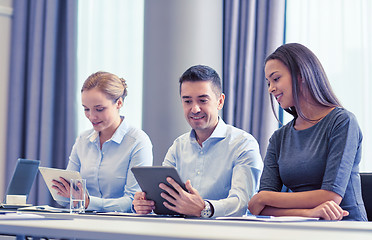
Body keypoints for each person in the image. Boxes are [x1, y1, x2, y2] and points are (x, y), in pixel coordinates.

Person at [248, 43, 367, 221]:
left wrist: (265, 197)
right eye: (268, 82)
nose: (270, 88)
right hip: (301, 227)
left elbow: (331, 197)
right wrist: (309, 213)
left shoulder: (342, 122)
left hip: (344, 227)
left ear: (301, 75)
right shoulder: (279, 138)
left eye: (276, 79)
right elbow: (259, 208)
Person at [133, 65, 263, 218]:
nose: (194, 109)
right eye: (187, 101)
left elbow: (242, 203)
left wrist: (204, 208)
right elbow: (165, 197)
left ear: (220, 101)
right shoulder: (178, 146)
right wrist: (146, 203)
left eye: (202, 100)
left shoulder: (243, 144)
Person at [52, 71, 153, 212]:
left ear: (119, 103)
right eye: (86, 109)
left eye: (99, 109)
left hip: (120, 227)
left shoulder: (137, 141)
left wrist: (88, 202)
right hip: (82, 225)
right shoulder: (83, 140)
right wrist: (62, 190)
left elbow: (132, 202)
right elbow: (65, 198)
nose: (92, 116)